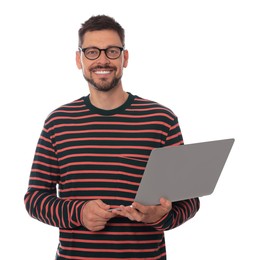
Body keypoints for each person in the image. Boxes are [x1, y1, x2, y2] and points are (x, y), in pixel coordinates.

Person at [24, 15, 200, 260]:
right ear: (79, 59)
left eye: (112, 51)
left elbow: (189, 201)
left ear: (125, 58)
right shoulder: (58, 121)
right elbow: (35, 198)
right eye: (92, 52)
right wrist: (79, 212)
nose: (103, 60)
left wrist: (160, 216)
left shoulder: (161, 119)